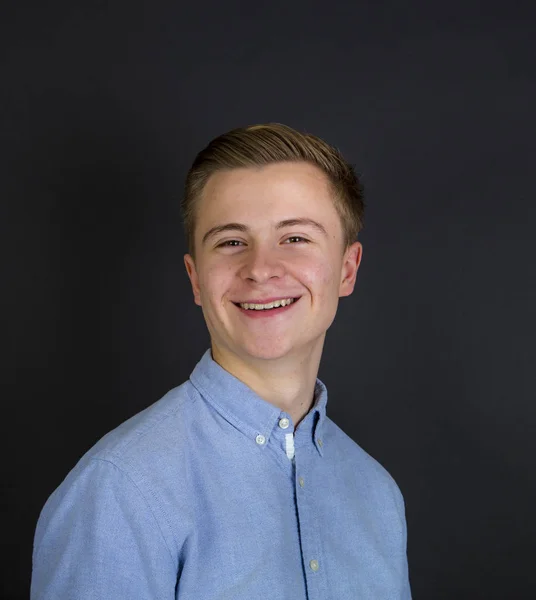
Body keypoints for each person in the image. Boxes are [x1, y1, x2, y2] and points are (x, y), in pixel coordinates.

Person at [31, 123, 412, 599]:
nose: (259, 269)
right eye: (231, 241)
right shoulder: (120, 492)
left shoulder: (377, 496)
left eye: (295, 238)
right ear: (195, 279)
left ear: (347, 269)